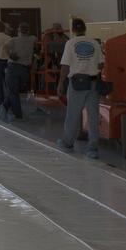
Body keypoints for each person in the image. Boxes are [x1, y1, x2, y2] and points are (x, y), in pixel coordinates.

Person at [56, 18, 104, 159]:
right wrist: (90, 65)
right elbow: (101, 65)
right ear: (85, 28)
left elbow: (65, 66)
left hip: (77, 83)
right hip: (93, 83)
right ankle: (93, 148)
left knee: (73, 114)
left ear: (73, 30)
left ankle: (67, 143)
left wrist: (60, 83)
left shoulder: (70, 43)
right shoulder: (95, 43)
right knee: (93, 115)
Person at [3, 23, 37, 122]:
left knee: (13, 93)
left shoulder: (13, 40)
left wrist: (10, 55)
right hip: (25, 70)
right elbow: (36, 39)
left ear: (18, 30)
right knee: (17, 91)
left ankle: (17, 114)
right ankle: (3, 108)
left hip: (13, 67)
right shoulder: (32, 39)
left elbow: (4, 47)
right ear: (28, 31)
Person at [46, 22, 69, 94]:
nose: (55, 30)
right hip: (56, 62)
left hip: (64, 64)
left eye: (57, 28)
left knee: (64, 79)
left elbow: (53, 49)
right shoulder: (51, 37)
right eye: (54, 28)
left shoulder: (65, 38)